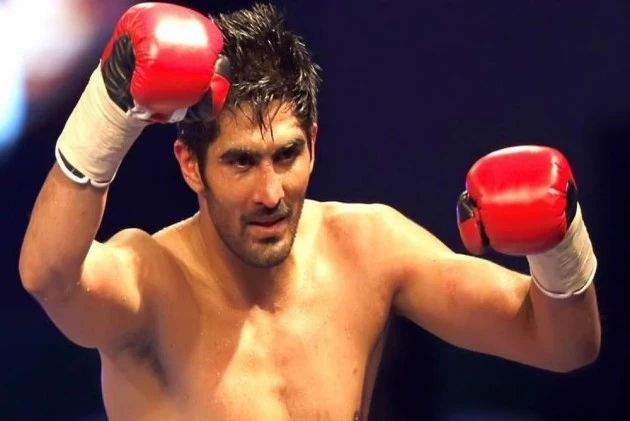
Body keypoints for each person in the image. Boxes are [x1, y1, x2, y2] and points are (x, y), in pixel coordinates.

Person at [19, 2, 600, 420]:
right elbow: (48, 275)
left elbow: (564, 345)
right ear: (191, 165)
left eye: (287, 155)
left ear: (313, 145)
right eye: (241, 162)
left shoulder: (368, 249)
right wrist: (109, 108)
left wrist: (559, 243)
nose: (270, 192)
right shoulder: (150, 283)